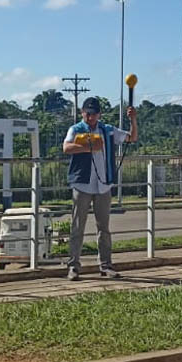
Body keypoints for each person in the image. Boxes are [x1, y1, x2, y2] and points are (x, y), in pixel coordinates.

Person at [62, 97, 138, 281]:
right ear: (82, 113)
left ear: (99, 114)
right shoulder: (76, 129)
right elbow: (66, 147)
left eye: (94, 114)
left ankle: (106, 265)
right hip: (82, 184)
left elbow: (132, 138)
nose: (91, 117)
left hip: (103, 184)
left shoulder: (108, 130)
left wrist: (133, 120)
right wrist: (88, 146)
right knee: (77, 227)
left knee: (103, 227)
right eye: (88, 114)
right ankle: (73, 266)